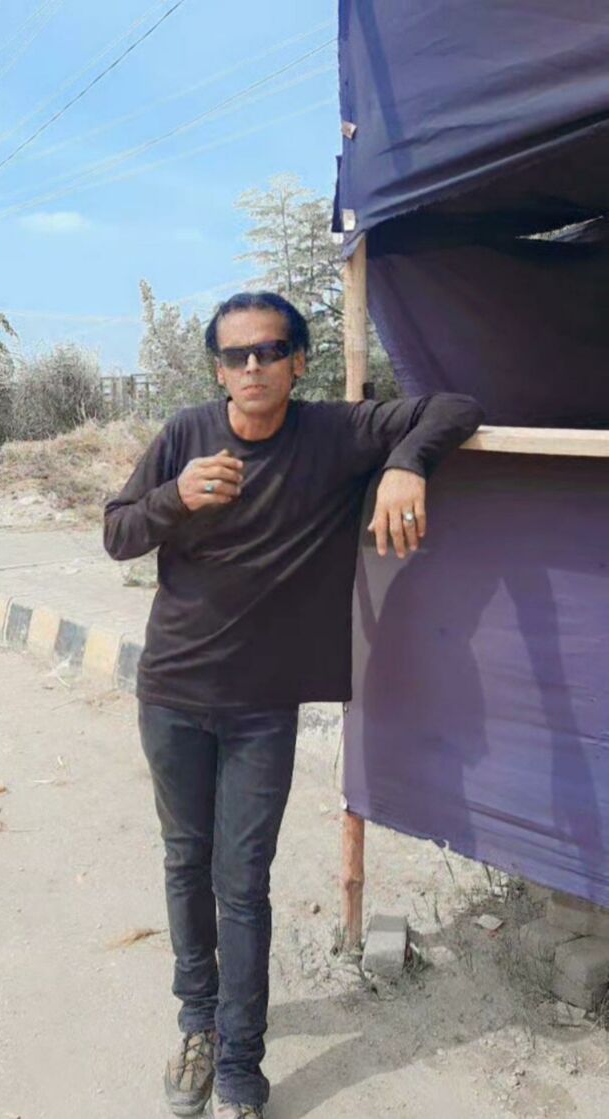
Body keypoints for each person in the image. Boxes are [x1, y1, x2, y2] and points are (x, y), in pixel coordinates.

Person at [103, 291, 483, 1118]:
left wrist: (404, 464)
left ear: (298, 362)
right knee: (185, 862)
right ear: (217, 370)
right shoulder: (184, 436)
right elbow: (117, 533)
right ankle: (197, 1023)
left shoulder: (333, 434)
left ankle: (241, 1063)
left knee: (242, 883)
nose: (252, 367)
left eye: (269, 351)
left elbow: (455, 406)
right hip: (172, 691)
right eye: (235, 355)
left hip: (261, 706)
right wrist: (175, 498)